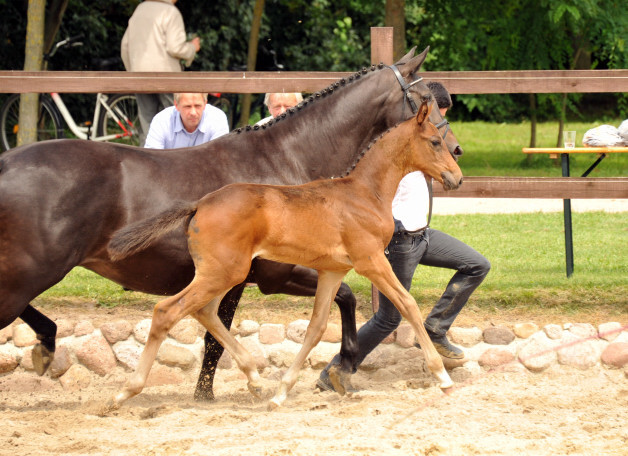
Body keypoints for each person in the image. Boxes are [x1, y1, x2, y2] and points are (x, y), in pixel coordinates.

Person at [317, 81, 491, 392]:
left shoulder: (426, 141)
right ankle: (336, 370)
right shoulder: (397, 144)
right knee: (388, 318)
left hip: (423, 235)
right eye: (437, 118)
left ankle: (436, 328)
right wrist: (391, 226)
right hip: (399, 241)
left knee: (477, 265)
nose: (438, 126)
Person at [121, 0, 201, 146]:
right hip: (167, 77)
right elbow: (175, 47)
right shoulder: (170, 12)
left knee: (147, 123)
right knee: (174, 121)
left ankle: (146, 162)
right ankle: (174, 162)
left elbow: (125, 45)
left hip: (139, 76)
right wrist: (192, 47)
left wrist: (132, 71)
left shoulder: (140, 9)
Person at [144, 93, 229, 149]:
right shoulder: (162, 120)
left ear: (205, 104)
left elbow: (219, 159)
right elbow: (151, 159)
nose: (193, 112)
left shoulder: (217, 119)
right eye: (187, 106)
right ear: (176, 105)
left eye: (198, 106)